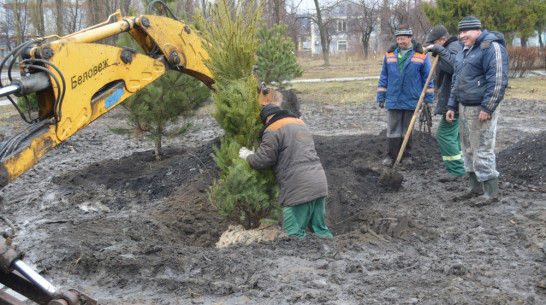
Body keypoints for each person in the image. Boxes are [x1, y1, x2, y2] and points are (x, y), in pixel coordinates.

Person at [238, 104, 333, 239]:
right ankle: (332, 256)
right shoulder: (300, 123)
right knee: (320, 231)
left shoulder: (273, 129)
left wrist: (248, 156)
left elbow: (263, 160)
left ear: (267, 118)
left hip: (298, 187)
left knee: (291, 236)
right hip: (319, 182)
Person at [446, 16, 509, 203]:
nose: (462, 35)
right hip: (464, 107)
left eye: (466, 31)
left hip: (481, 109)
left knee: (482, 148)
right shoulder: (464, 51)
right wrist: (452, 105)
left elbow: (497, 80)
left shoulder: (491, 48)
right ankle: (474, 187)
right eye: (461, 32)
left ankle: (490, 192)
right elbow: (456, 80)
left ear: (478, 30)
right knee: (467, 148)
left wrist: (488, 108)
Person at [377, 24, 434, 167]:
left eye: (403, 39)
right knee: (393, 129)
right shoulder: (390, 53)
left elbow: (427, 77)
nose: (400, 42)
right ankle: (391, 156)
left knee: (407, 129)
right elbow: (384, 75)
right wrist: (381, 95)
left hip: (412, 98)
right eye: (398, 39)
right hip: (393, 98)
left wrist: (428, 99)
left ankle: (406, 156)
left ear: (411, 38)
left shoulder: (421, 53)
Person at [424, 25, 465, 182]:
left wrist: (439, 51)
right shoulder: (449, 48)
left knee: (443, 134)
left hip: (455, 100)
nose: (433, 46)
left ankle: (457, 171)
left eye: (434, 43)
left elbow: (455, 67)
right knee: (454, 135)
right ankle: (461, 168)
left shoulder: (454, 47)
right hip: (454, 99)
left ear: (443, 39)